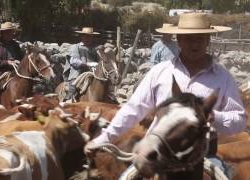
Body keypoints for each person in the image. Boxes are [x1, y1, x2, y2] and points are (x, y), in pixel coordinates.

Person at [85, 13, 247, 179]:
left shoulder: (223, 77)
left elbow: (240, 121)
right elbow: (133, 109)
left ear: (208, 41)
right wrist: (103, 138)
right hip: (156, 153)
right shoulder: (160, 72)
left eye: (200, 38)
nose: (195, 43)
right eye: (189, 39)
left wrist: (213, 117)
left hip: (202, 155)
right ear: (179, 40)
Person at [63, 27, 100, 101]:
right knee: (74, 85)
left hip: (93, 73)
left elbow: (100, 60)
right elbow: (73, 61)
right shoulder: (75, 47)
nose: (87, 38)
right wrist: (88, 64)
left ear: (92, 37)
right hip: (78, 73)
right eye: (85, 36)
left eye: (89, 36)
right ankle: (69, 99)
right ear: (82, 36)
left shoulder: (95, 49)